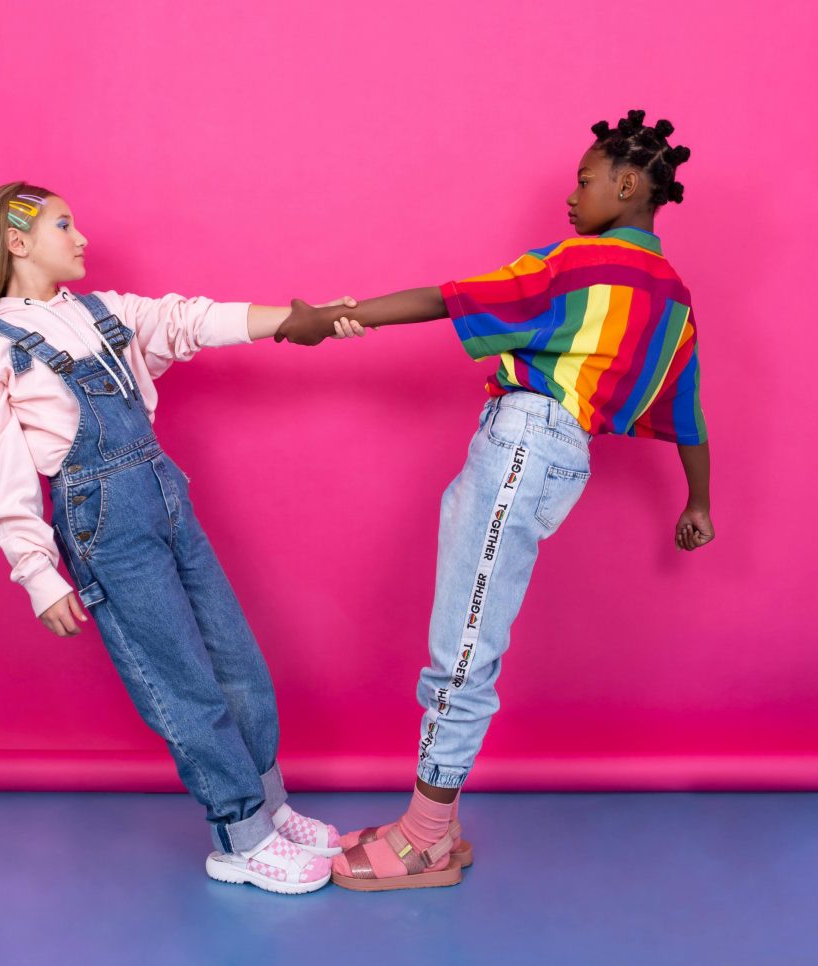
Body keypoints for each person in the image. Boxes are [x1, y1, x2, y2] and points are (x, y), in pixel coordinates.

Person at [275, 110, 715, 891]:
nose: (571, 197)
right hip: (556, 457)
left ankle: (428, 839)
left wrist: (332, 320)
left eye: (584, 181)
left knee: (465, 643)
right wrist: (699, 502)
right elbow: (688, 413)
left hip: (522, 446)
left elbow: (452, 298)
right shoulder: (675, 299)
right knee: (470, 628)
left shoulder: (582, 264)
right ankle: (430, 816)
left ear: (627, 183)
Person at [0, 182, 360, 895]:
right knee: (181, 680)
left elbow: (188, 320)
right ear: (17, 242)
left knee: (236, 659)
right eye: (63, 225)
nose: (81, 238)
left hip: (165, 496)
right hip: (101, 519)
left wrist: (292, 321)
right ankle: (237, 835)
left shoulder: (105, 312)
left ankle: (269, 807)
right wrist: (38, 571)